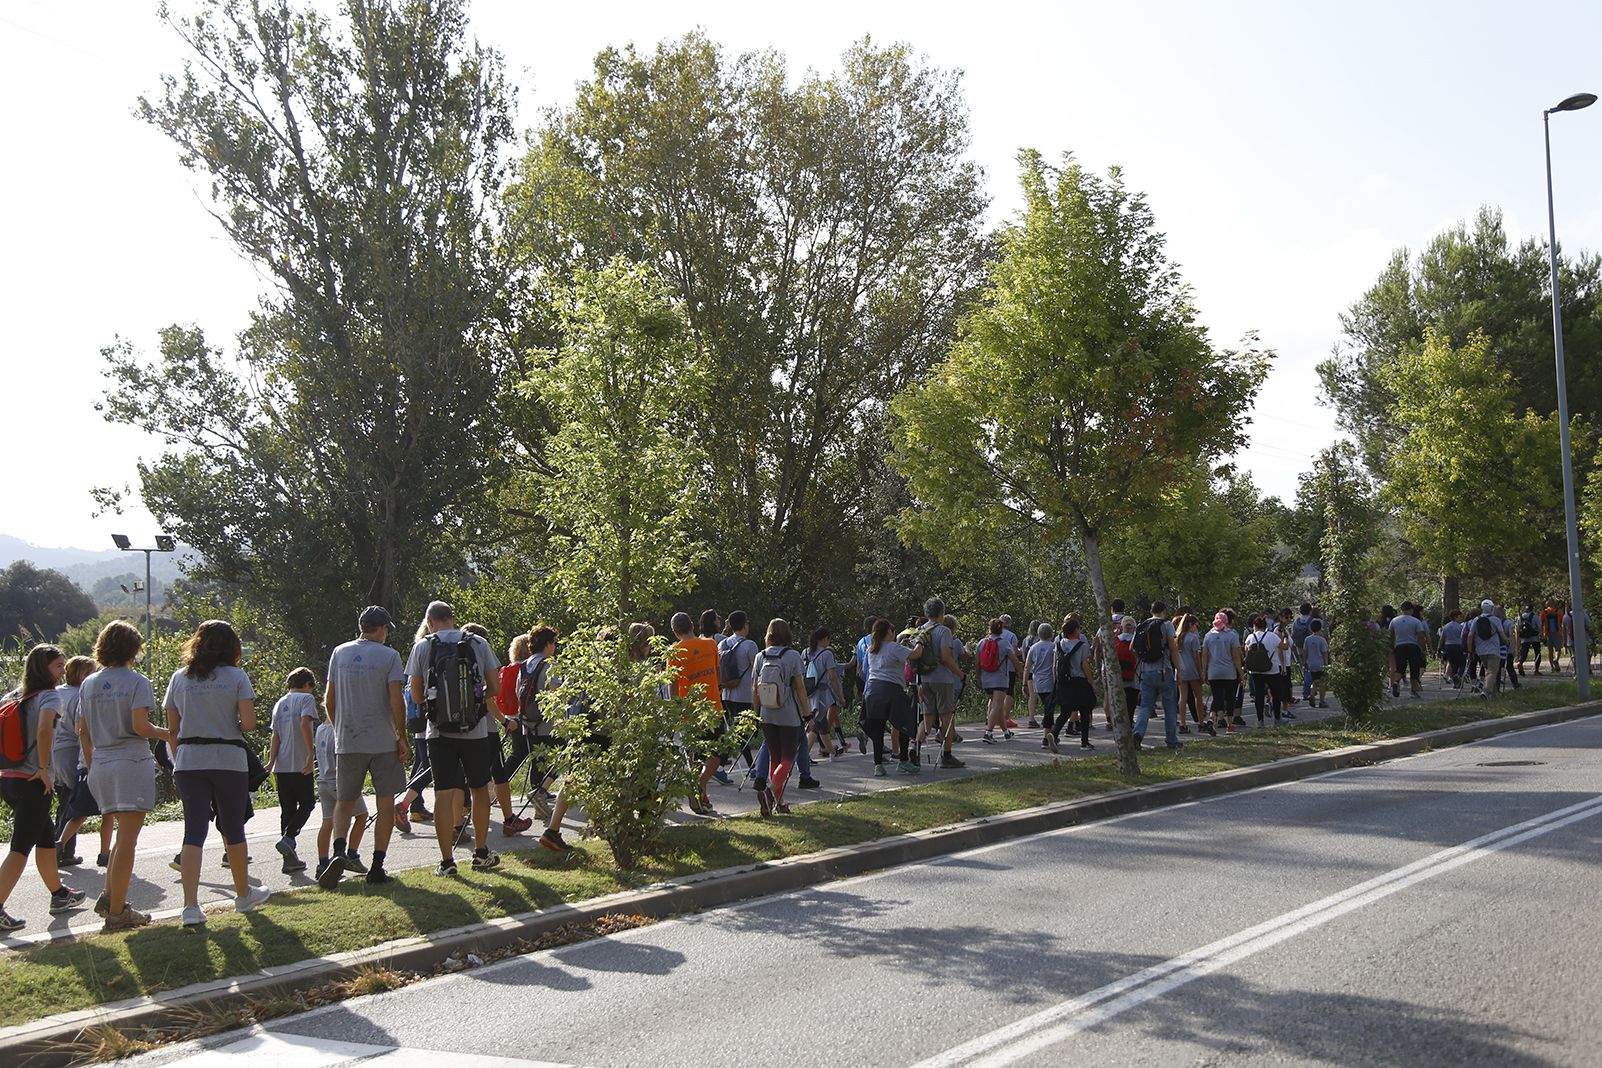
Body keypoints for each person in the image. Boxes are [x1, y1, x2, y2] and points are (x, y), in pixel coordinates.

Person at [164, 619, 271, 925]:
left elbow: (173, 727)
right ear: (232, 647)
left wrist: (179, 757)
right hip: (228, 758)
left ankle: (190, 907)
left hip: (188, 759)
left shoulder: (179, 678)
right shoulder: (237, 677)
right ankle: (243, 895)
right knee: (233, 828)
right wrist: (226, 726)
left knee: (193, 832)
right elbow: (249, 723)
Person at [78, 620, 168, 931]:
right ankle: (118, 914)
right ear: (133, 649)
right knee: (128, 839)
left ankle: (108, 895)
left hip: (101, 763)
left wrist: (91, 764)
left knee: (120, 836)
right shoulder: (136, 681)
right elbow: (141, 727)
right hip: (130, 761)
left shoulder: (88, 683)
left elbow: (82, 730)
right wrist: (170, 734)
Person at [407, 601, 502, 876]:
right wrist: (472, 703)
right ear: (453, 618)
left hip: (438, 732)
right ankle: (481, 852)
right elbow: (494, 687)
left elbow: (415, 695)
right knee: (479, 789)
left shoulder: (423, 646)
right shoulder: (478, 643)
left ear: (430, 620)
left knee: (443, 794)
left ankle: (447, 861)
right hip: (476, 731)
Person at [320, 606, 408, 888]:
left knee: (344, 802)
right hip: (382, 740)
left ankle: (338, 852)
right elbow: (396, 700)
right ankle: (377, 866)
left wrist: (339, 727)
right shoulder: (390, 656)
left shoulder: (339, 652)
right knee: (385, 803)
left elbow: (329, 699)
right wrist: (401, 736)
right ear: (382, 629)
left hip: (348, 739)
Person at [0, 645, 86, 931]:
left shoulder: (11, 697)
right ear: (42, 668)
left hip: (9, 778)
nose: (63, 670)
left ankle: (59, 895)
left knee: (46, 836)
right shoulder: (50, 696)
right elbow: (44, 730)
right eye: (58, 666)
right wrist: (42, 768)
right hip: (33, 780)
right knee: (21, 846)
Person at [49, 655, 107, 869]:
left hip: (53, 751)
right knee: (75, 803)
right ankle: (62, 849)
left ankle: (59, 846)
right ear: (82, 674)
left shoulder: (58, 692)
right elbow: (79, 729)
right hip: (71, 751)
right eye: (91, 671)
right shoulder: (80, 695)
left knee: (65, 799)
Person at [668, 611, 726, 814]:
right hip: (712, 707)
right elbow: (718, 675)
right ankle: (700, 787)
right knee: (716, 754)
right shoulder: (710, 644)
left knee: (691, 756)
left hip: (689, 711)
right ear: (692, 624)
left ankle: (697, 790)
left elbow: (673, 685)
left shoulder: (674, 652)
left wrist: (675, 709)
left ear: (676, 632)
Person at [752, 619, 810, 815]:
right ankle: (769, 791)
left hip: (767, 713)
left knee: (774, 758)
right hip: (788, 714)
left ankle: (780, 802)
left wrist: (755, 713)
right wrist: (808, 713)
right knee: (787, 758)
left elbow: (755, 688)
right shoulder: (792, 656)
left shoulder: (760, 656)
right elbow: (800, 689)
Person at [266, 667, 319, 874]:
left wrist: (271, 762)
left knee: (287, 810)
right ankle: (289, 838)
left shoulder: (280, 703)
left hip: (282, 765)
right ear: (307, 685)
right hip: (299, 762)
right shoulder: (306, 699)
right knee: (307, 803)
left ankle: (289, 859)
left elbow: (276, 735)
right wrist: (310, 753)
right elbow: (305, 723)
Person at [911, 598, 965, 770]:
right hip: (943, 679)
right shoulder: (944, 631)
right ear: (942, 612)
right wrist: (960, 674)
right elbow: (945, 657)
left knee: (927, 717)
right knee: (947, 717)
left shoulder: (920, 630)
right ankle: (947, 756)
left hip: (924, 679)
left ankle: (916, 748)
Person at [313, 710, 367, 878]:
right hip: (340, 782)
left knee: (327, 822)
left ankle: (322, 864)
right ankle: (351, 855)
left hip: (323, 781)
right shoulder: (339, 730)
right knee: (361, 815)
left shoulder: (321, 729)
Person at [861, 619, 916, 774]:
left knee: (878, 730)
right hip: (892, 690)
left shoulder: (872, 649)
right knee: (902, 725)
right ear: (888, 632)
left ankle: (878, 765)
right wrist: (919, 643)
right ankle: (903, 760)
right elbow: (915, 654)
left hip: (872, 691)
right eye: (893, 631)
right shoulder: (894, 647)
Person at [1132, 601, 1183, 750]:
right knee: (1170, 706)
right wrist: (1179, 670)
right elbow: (1173, 649)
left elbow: (1132, 647)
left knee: (1145, 706)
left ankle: (1138, 734)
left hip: (1146, 671)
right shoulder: (1166, 624)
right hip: (1164, 670)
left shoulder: (1141, 625)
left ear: (1151, 611)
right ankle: (1172, 740)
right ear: (1164, 611)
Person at [717, 611, 759, 775]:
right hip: (744, 694)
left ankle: (720, 767)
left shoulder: (723, 644)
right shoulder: (750, 645)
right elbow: (756, 671)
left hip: (726, 693)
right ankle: (752, 768)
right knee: (741, 733)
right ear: (744, 625)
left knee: (735, 732)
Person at [1047, 615, 1098, 752]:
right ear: (1075, 630)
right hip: (1079, 681)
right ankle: (1084, 742)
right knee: (1085, 711)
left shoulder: (1059, 644)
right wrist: (1092, 682)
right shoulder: (1082, 645)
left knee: (1065, 711)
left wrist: (1056, 681)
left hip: (1064, 682)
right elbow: (1085, 665)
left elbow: (1055, 663)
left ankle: (1054, 733)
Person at [1202, 611, 1244, 732]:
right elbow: (1236, 657)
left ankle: (1212, 720)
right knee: (1230, 698)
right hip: (1229, 672)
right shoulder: (1232, 635)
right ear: (1226, 621)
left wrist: (1204, 671)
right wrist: (1240, 673)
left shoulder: (1208, 635)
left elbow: (1204, 655)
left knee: (1217, 697)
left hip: (1213, 672)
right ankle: (1230, 725)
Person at [979, 619, 1015, 745]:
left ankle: (1006, 732)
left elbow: (977, 662)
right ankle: (988, 733)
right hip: (1000, 678)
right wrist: (1021, 671)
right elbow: (1013, 659)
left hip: (986, 678)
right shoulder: (1004, 643)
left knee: (997, 706)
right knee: (997, 705)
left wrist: (979, 676)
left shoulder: (982, 642)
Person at [1175, 613, 1212, 736]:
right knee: (1198, 696)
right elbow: (1196, 657)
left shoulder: (1177, 637)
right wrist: (1201, 672)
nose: (1196, 627)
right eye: (1196, 625)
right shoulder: (1193, 637)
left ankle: (1182, 724)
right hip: (1192, 669)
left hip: (1181, 669)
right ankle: (1201, 722)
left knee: (1183, 697)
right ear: (1191, 624)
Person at [1244, 614, 1283, 726]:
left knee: (1259, 695)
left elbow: (1246, 652)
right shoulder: (1273, 636)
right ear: (1265, 625)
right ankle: (1277, 719)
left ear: (1254, 625)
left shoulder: (1250, 637)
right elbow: (1283, 647)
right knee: (1276, 694)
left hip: (1256, 671)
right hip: (1272, 669)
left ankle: (1260, 720)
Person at [1389, 601, 1430, 698]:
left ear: (1401, 609)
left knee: (1400, 668)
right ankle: (1413, 691)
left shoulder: (1394, 621)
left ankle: (1395, 682)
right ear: (1411, 610)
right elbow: (1420, 636)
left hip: (1399, 646)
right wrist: (1423, 649)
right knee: (1414, 669)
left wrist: (1391, 646)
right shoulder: (1416, 621)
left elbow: (1390, 635)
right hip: (1413, 646)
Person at [1026, 622, 1056, 746]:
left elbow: (1027, 667)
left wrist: (1024, 683)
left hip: (1037, 681)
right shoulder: (1054, 646)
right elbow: (1055, 665)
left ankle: (1052, 734)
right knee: (1049, 709)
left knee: (1048, 707)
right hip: (1050, 680)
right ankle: (1046, 737)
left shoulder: (1033, 648)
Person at [1469, 599, 1506, 696]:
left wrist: (1470, 650)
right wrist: (1507, 642)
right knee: (1492, 672)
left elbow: (1470, 635)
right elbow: (1502, 635)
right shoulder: (1496, 620)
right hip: (1493, 649)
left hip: (1480, 651)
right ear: (1492, 608)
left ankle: (1493, 693)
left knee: (1488, 670)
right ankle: (1485, 692)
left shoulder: (1476, 620)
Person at [1303, 618, 1331, 708]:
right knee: (1322, 682)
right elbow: (1325, 653)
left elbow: (1305, 651)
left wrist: (1304, 662)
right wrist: (1326, 665)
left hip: (1311, 664)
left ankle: (1312, 694)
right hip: (1320, 664)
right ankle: (1322, 701)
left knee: (1314, 681)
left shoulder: (1307, 639)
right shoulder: (1322, 640)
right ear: (1320, 628)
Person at [1291, 602, 1314, 703]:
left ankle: (1307, 691)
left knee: (1305, 669)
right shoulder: (1311, 620)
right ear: (1310, 610)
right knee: (1312, 671)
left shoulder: (1296, 621)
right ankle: (1308, 692)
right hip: (1310, 648)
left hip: (1299, 647)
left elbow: (1293, 635)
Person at [1439, 609, 1466, 690]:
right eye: (1460, 616)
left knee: (1453, 664)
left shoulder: (1446, 626)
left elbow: (1442, 638)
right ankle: (1459, 675)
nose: (1461, 618)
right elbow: (1463, 638)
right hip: (1458, 646)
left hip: (1448, 646)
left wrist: (1439, 648)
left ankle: (1455, 683)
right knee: (1462, 663)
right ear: (1456, 616)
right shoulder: (1460, 626)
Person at [1516, 604, 1543, 676]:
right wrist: (1541, 635)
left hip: (1524, 639)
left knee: (1524, 653)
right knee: (1537, 653)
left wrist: (1518, 639)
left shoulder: (1521, 617)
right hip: (1535, 638)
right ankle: (1536, 670)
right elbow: (1540, 627)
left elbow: (1518, 628)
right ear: (1532, 609)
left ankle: (1520, 662)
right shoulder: (1535, 616)